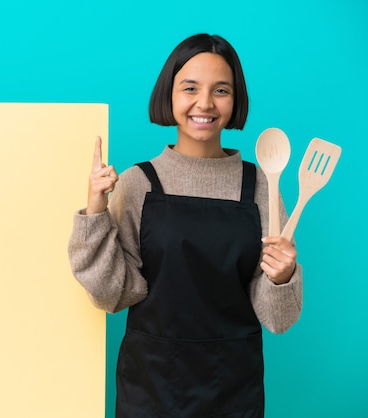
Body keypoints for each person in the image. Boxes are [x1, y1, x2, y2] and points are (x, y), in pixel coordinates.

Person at [67, 34, 303, 418]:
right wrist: (96, 211)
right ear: (169, 95)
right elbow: (114, 296)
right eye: (190, 88)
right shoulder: (137, 183)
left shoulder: (262, 184)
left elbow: (277, 319)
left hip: (233, 386)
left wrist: (284, 275)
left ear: (236, 99)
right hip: (151, 385)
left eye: (221, 90)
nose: (205, 103)